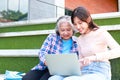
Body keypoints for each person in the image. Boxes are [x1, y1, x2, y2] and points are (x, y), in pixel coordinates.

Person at [48, 6, 120, 80]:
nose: (78, 27)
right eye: (75, 24)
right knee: (54, 78)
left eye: (80, 23)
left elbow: (118, 51)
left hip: (100, 71)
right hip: (84, 71)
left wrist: (93, 57)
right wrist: (68, 67)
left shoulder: (101, 32)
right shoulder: (80, 39)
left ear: (88, 20)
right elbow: (81, 61)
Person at [22, 15, 78, 80]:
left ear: (73, 29)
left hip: (59, 71)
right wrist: (46, 61)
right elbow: (42, 52)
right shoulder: (52, 37)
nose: (65, 33)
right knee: (26, 79)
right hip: (44, 66)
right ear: (58, 30)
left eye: (68, 30)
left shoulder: (76, 42)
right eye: (62, 30)